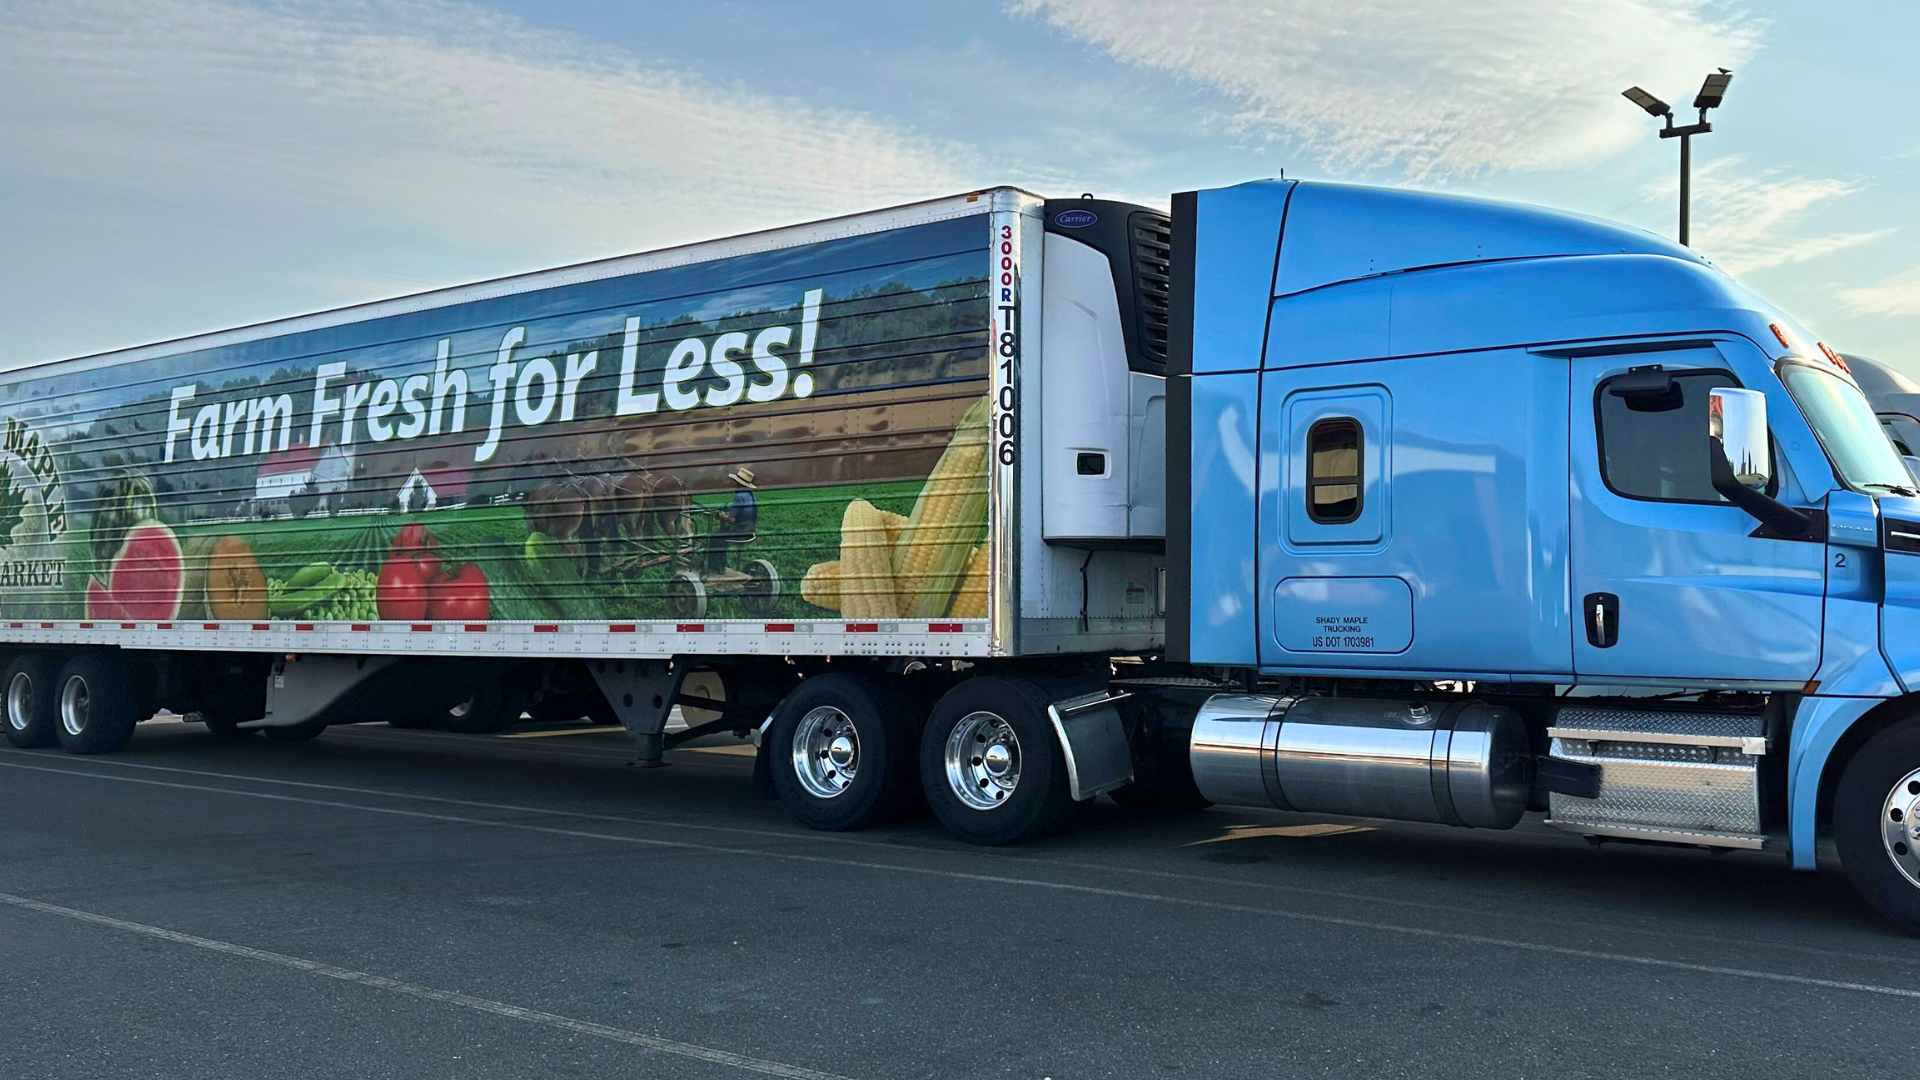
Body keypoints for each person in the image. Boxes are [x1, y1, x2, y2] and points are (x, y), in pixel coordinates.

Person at [705, 466, 758, 572]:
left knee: (715, 538)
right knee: (721, 535)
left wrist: (720, 515)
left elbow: (731, 519)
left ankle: (716, 566)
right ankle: (721, 564)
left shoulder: (739, 496)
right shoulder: (750, 495)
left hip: (740, 530)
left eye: (735, 482)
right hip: (750, 529)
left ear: (738, 483)